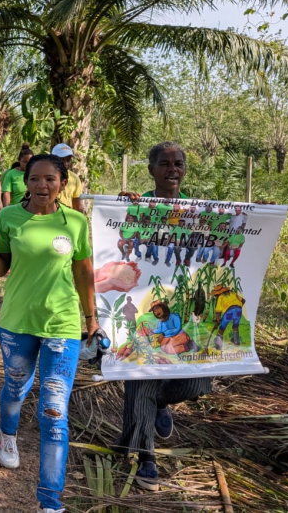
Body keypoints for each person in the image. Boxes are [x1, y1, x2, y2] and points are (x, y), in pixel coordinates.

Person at [0, 153, 96, 513]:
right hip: (17, 322)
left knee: (53, 411)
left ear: (63, 184)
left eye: (50, 179)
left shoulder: (77, 222)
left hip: (62, 325)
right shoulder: (8, 217)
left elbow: (83, 272)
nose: (42, 186)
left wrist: (90, 316)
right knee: (16, 386)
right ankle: (7, 433)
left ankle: (49, 502)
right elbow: (1, 268)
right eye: (35, 179)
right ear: (25, 181)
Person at [115, 141, 212, 492]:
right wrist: (123, 207)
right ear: (152, 169)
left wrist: (256, 213)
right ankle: (147, 458)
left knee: (197, 380)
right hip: (145, 305)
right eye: (165, 163)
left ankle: (159, 402)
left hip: (185, 307)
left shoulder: (198, 211)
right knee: (140, 379)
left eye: (179, 163)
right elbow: (118, 240)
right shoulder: (137, 206)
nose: (173, 169)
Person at [51, 143, 83, 212]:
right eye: (62, 159)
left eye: (68, 160)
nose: (65, 163)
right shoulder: (45, 176)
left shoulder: (74, 178)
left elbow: (77, 204)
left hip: (67, 217)